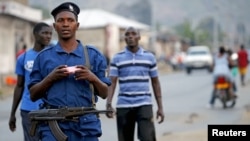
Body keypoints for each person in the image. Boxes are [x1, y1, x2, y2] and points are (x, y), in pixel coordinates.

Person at [28, 2, 111, 141]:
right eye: (60, 20)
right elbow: (33, 95)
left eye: (70, 20)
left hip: (86, 126)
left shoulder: (92, 55)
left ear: (77, 25)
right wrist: (50, 78)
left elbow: (104, 93)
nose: (65, 24)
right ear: (54, 26)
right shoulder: (43, 57)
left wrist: (92, 78)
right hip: (53, 126)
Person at [106, 26, 165, 141]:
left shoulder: (149, 57)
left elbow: (155, 83)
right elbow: (112, 82)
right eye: (127, 34)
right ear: (124, 38)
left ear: (139, 37)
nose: (130, 36)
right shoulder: (117, 58)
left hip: (144, 105)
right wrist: (108, 103)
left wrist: (160, 107)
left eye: (133, 34)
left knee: (148, 138)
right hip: (124, 106)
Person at [9, 22, 52, 141]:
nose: (48, 36)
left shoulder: (54, 57)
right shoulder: (23, 58)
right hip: (29, 110)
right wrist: (12, 114)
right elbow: (19, 86)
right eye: (44, 33)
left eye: (50, 34)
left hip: (50, 110)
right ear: (35, 34)